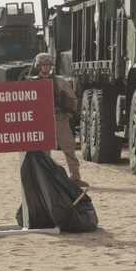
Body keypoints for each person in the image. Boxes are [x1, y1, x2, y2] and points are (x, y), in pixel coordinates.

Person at [30, 53, 88, 187]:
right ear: (38, 66)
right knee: (44, 152)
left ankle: (75, 177)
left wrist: (68, 114)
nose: (46, 67)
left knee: (69, 148)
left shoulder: (60, 81)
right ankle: (46, 179)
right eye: (43, 64)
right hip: (41, 119)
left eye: (48, 64)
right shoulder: (32, 82)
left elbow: (73, 98)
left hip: (59, 118)